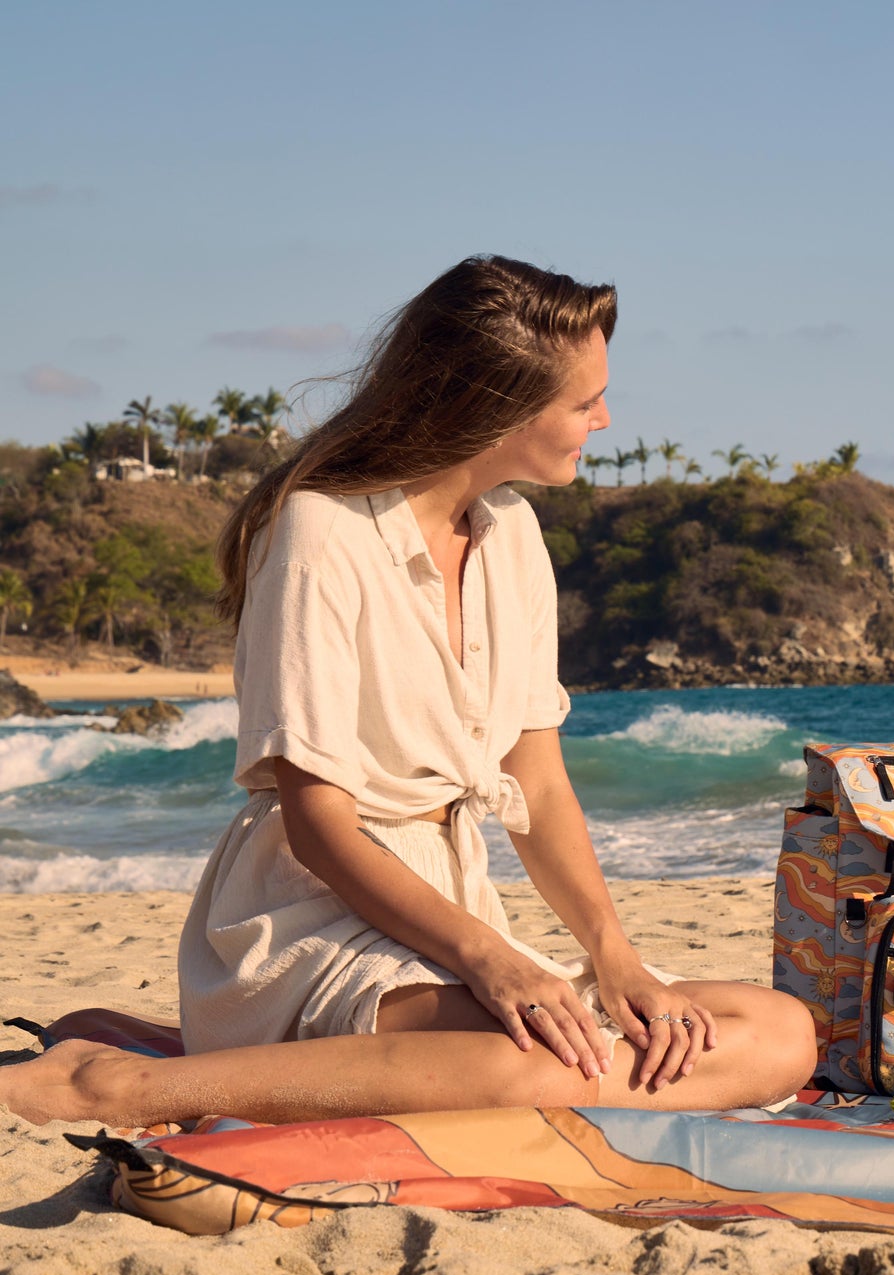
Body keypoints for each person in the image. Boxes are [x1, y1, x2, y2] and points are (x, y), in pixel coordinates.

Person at [1, 256, 814, 1127]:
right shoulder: (321, 530)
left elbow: (535, 783)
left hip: (454, 915)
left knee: (780, 1035)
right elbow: (319, 831)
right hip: (310, 922)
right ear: (497, 403)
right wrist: (489, 960)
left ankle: (245, 1058)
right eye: (584, 402)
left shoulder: (514, 536)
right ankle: (119, 1084)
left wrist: (613, 954)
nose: (604, 419)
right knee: (544, 1071)